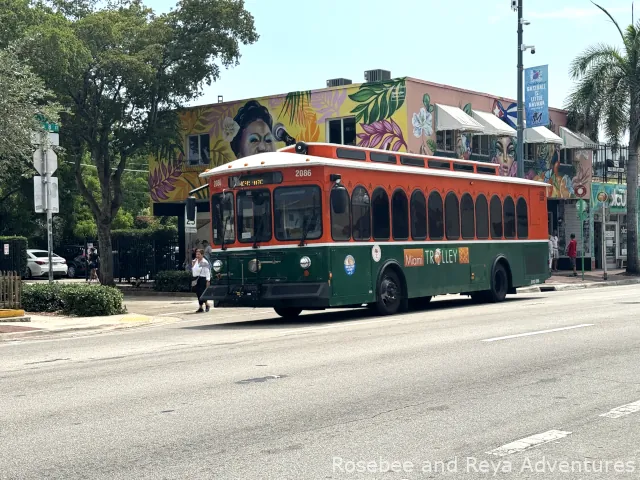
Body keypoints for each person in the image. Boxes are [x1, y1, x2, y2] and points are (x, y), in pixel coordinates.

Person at [191, 249, 211, 313]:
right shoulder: (195, 261)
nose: (197, 256)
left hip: (202, 279)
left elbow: (207, 271)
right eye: (196, 254)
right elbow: (193, 269)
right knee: (197, 293)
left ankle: (201, 306)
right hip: (196, 278)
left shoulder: (204, 262)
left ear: (202, 255)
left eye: (199, 254)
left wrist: (208, 280)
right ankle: (205, 305)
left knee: (201, 293)